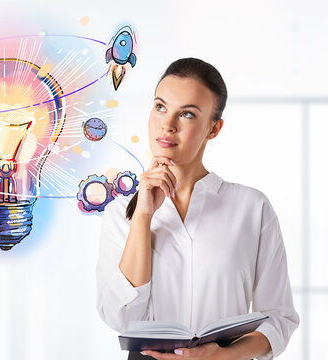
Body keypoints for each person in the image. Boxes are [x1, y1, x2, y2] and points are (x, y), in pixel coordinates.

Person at [96, 58, 299, 360]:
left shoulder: (252, 208)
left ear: (213, 129)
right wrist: (143, 215)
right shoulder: (121, 214)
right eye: (160, 107)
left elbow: (279, 319)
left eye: (187, 114)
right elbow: (122, 319)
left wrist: (219, 356)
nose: (167, 125)